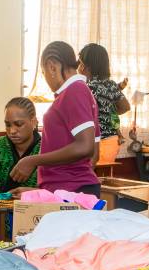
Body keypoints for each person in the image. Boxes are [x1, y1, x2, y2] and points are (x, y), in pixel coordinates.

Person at [10, 41, 100, 195]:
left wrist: (32, 160)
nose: (45, 78)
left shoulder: (74, 91)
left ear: (52, 67)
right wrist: (46, 191)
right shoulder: (78, 93)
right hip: (69, 190)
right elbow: (94, 156)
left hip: (74, 190)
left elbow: (86, 147)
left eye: (43, 72)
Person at [78, 43, 129, 164]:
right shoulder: (110, 84)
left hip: (93, 143)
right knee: (103, 177)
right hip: (111, 141)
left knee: (89, 178)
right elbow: (125, 107)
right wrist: (107, 110)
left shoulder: (85, 87)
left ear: (85, 66)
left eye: (79, 62)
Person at [0, 97, 42, 194]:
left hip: (37, 207)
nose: (12, 131)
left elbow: (54, 190)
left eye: (19, 124)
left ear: (33, 121)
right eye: (8, 125)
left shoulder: (45, 150)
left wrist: (32, 194)